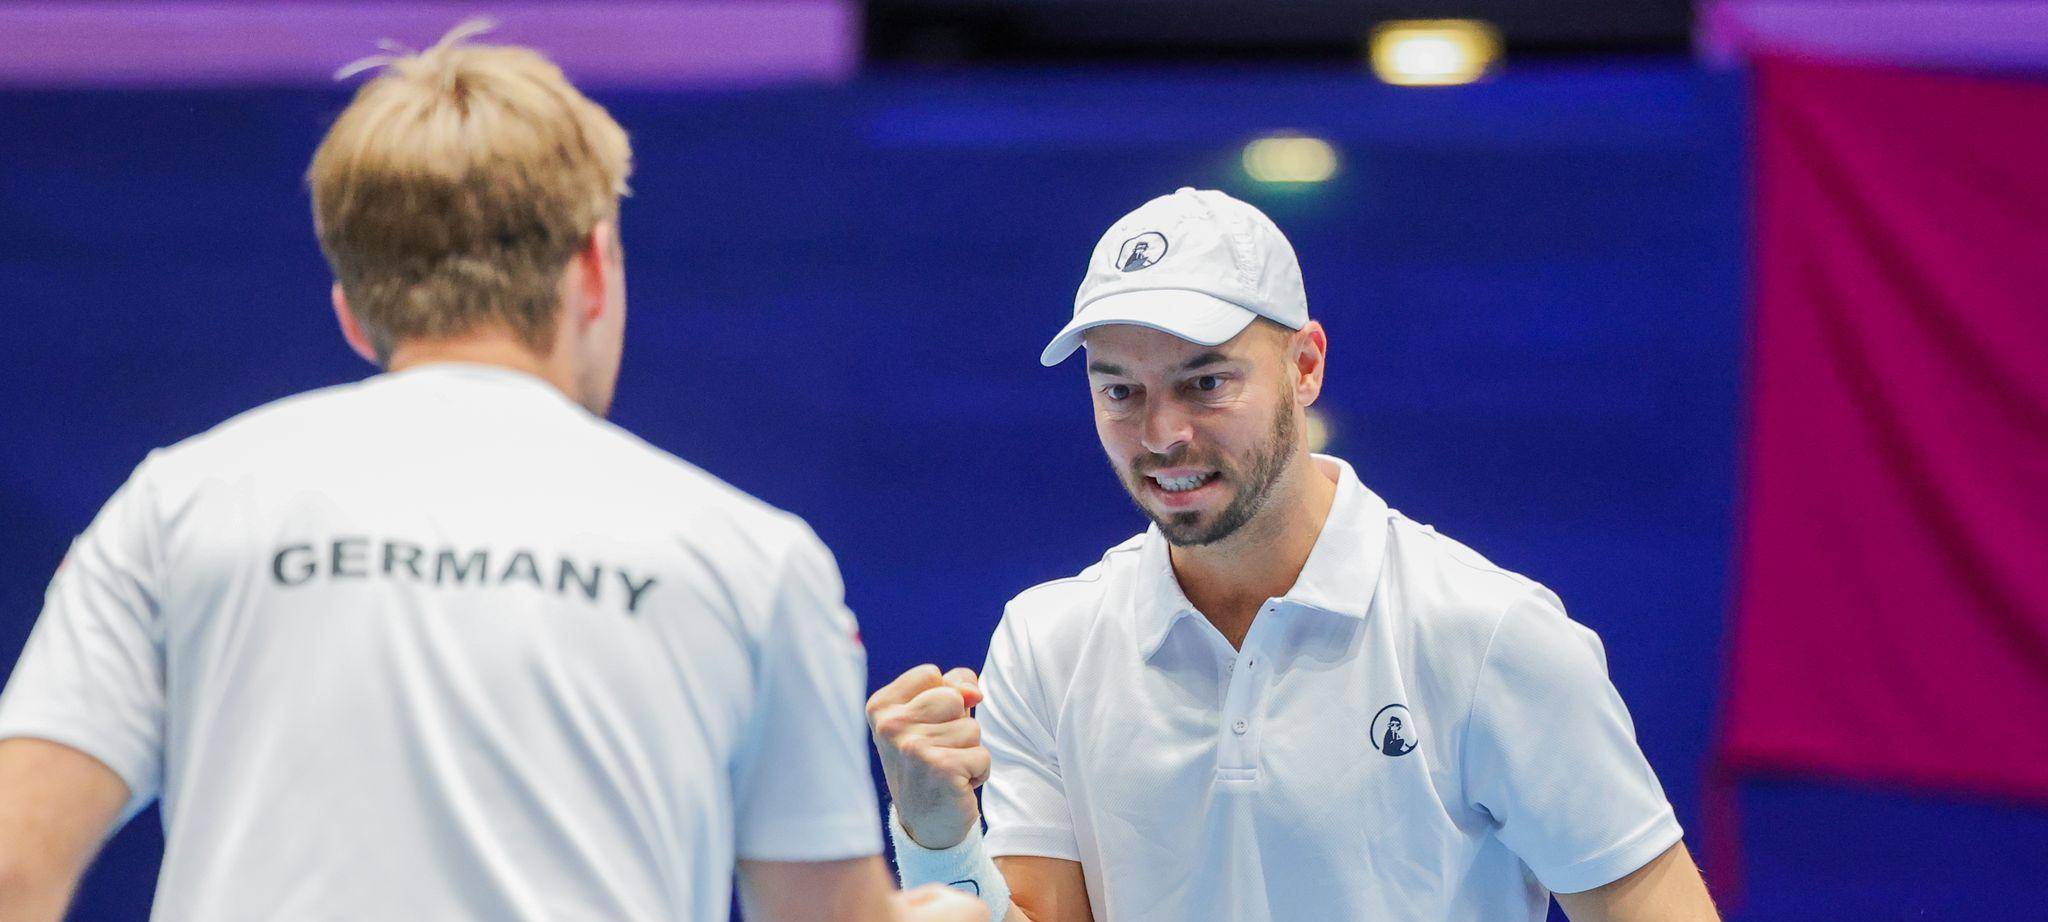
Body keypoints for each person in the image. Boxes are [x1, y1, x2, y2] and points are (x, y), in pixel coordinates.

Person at [0, 23, 978, 922]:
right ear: (593, 266)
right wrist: (946, 877)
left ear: (354, 309)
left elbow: (13, 872)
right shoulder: (752, 558)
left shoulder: (177, 505)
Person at [867, 187, 1722, 921]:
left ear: (1305, 365)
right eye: (1120, 389)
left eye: (1207, 382)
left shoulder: (1488, 630)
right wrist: (940, 835)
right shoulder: (1047, 640)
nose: (1163, 435)